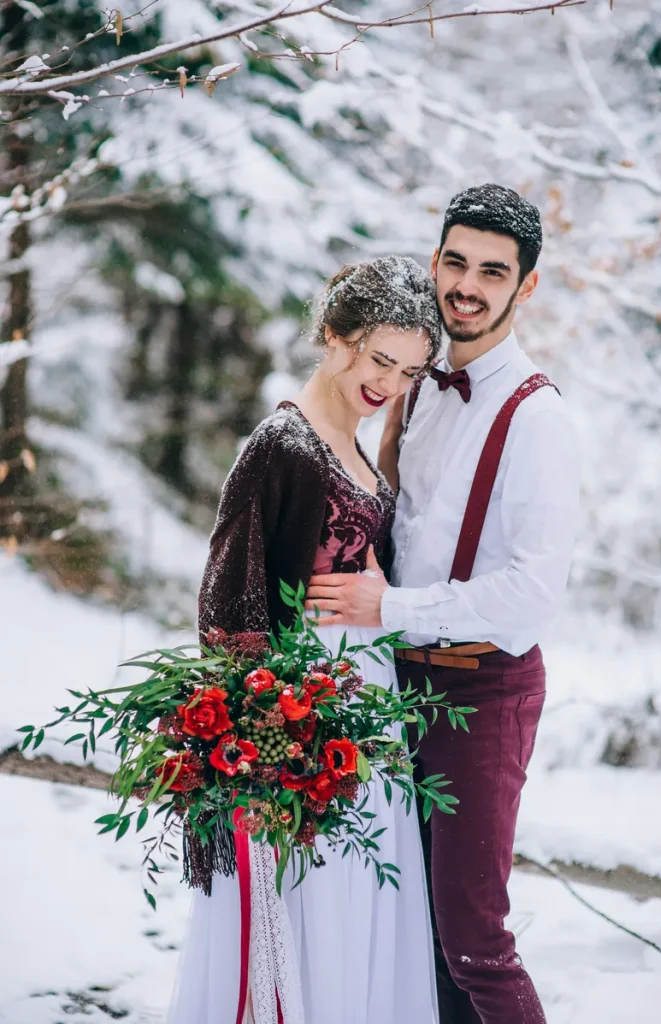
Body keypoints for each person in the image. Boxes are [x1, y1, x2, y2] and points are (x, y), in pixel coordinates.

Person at [305, 184, 581, 1024]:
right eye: (455, 261)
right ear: (435, 261)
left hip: (482, 692)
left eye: (492, 272)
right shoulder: (416, 381)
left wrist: (388, 609)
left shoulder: (538, 420)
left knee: (473, 938)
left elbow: (533, 597)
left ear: (524, 288)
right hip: (397, 688)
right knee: (413, 927)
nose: (467, 284)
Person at [167, 256, 444, 1024]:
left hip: (369, 708)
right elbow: (228, 597)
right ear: (334, 334)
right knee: (310, 899)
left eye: (410, 370)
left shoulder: (361, 450)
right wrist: (257, 730)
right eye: (381, 358)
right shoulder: (281, 445)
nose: (389, 382)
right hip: (303, 713)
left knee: (362, 902)